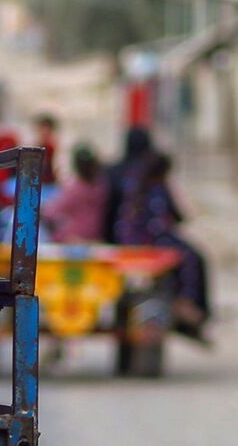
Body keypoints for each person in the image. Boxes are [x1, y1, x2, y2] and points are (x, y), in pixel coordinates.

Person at [113, 150, 211, 341]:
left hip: (132, 241)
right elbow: (168, 219)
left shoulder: (133, 182)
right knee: (191, 257)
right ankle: (186, 301)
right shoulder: (155, 187)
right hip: (151, 241)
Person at [40, 144, 108, 243]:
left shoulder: (74, 188)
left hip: (73, 238)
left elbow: (50, 212)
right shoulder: (102, 186)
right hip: (95, 236)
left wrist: (42, 210)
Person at [33, 112, 59, 186]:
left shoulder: (53, 147)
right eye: (42, 129)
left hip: (49, 183)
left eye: (47, 130)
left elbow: (55, 168)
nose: (44, 132)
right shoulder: (36, 145)